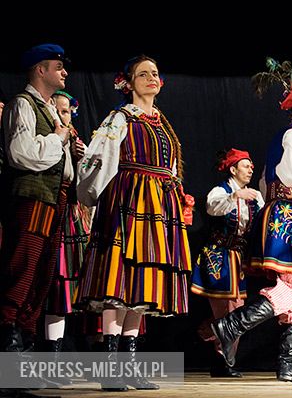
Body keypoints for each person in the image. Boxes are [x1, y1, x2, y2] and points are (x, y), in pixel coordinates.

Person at [75, 55, 192, 391]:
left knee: (142, 281)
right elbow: (97, 160)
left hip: (158, 204)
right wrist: (91, 198)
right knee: (119, 279)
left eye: (155, 73)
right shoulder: (120, 118)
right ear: (128, 82)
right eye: (143, 74)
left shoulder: (161, 121)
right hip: (128, 201)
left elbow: (170, 167)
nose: (151, 78)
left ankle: (128, 364)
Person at [211, 58, 292, 386]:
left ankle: (290, 362)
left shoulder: (289, 135)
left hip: (285, 214)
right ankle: (232, 325)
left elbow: (265, 181)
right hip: (287, 217)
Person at [0, 44, 74, 357]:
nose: (65, 72)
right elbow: (20, 153)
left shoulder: (48, 110)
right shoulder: (23, 104)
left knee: (42, 276)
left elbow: (64, 166)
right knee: (24, 268)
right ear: (40, 69)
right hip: (33, 199)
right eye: (58, 66)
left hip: (53, 199)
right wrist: (57, 139)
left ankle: (25, 341)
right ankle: (8, 340)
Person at [191, 148, 264, 377]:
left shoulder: (255, 196)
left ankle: (213, 339)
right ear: (233, 169)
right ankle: (222, 361)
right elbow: (213, 208)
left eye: (251, 165)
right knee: (225, 310)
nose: (251, 168)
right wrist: (234, 197)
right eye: (246, 165)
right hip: (219, 256)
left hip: (239, 258)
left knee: (238, 312)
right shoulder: (220, 191)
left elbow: (262, 221)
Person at [41, 91, 89, 382]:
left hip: (72, 217)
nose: (63, 116)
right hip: (50, 212)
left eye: (67, 112)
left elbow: (85, 188)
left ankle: (53, 363)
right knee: (51, 290)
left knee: (64, 294)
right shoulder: (49, 138)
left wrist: (81, 160)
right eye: (57, 111)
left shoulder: (74, 143)